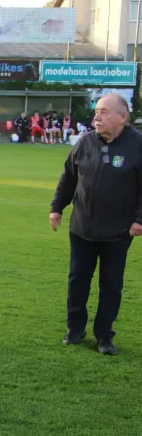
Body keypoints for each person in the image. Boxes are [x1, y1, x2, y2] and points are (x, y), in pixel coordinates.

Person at [49, 93, 142, 355]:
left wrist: (139, 219)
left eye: (104, 112)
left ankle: (104, 336)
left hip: (117, 231)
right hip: (82, 228)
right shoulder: (85, 143)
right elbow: (68, 177)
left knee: (111, 285)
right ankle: (75, 330)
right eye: (96, 111)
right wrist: (57, 208)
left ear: (123, 117)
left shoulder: (137, 145)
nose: (96, 117)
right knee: (77, 280)